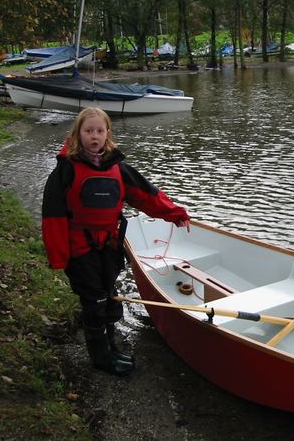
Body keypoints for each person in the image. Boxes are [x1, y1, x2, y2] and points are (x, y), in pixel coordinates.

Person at [41, 107, 190, 377]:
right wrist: (59, 257)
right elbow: (53, 217)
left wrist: (176, 214)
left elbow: (147, 196)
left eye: (99, 131)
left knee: (109, 296)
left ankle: (111, 348)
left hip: (109, 246)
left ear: (107, 134)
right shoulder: (65, 172)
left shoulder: (118, 168)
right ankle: (101, 359)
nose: (94, 136)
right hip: (80, 250)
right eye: (88, 131)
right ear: (78, 134)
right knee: (95, 302)